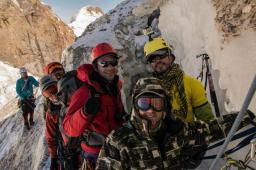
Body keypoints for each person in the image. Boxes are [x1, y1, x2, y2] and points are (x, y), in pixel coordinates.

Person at [96, 77, 250, 170]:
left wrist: (248, 116)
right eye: (144, 103)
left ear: (166, 107)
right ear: (135, 107)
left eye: (156, 103)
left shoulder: (179, 131)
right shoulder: (118, 141)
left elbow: (213, 128)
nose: (150, 110)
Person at [62, 42, 127, 169]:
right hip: (95, 154)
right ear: (96, 67)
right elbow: (68, 128)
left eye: (113, 62)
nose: (110, 67)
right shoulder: (86, 92)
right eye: (104, 63)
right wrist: (84, 113)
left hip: (115, 149)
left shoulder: (115, 86)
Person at [144, 37, 214, 123]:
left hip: (189, 134)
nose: (158, 61)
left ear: (171, 56)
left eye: (161, 56)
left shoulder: (191, 84)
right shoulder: (147, 91)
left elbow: (206, 119)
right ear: (150, 65)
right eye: (153, 59)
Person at [40, 75, 81, 170]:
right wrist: (54, 158)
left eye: (54, 89)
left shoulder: (73, 99)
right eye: (48, 93)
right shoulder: (51, 113)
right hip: (68, 151)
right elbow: (51, 137)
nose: (53, 95)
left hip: (84, 146)